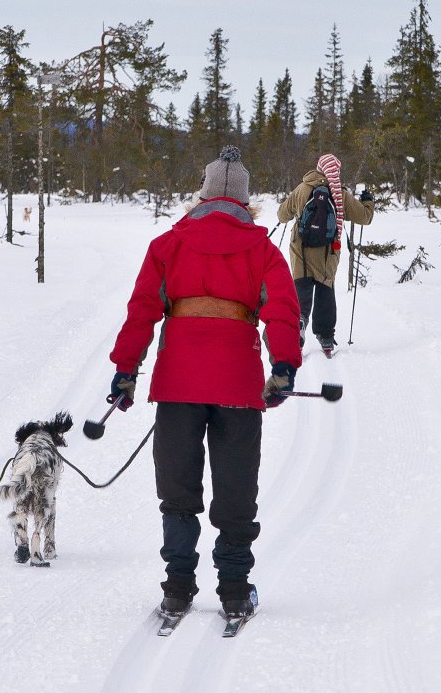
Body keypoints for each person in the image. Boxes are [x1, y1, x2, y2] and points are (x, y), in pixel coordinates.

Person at [107, 146, 303, 619]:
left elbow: (141, 312)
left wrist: (126, 370)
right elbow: (281, 310)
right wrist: (283, 367)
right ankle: (235, 590)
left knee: (177, 488)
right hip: (238, 386)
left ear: (203, 193)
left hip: (178, 385)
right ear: (244, 200)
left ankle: (177, 587)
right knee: (236, 489)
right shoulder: (263, 250)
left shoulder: (167, 245)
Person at [275, 153, 375, 357]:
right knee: (324, 289)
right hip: (328, 252)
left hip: (301, 249)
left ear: (318, 168)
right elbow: (365, 218)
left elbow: (281, 215)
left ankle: (299, 323)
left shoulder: (302, 189)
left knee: (301, 288)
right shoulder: (340, 194)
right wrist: (368, 202)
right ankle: (326, 337)